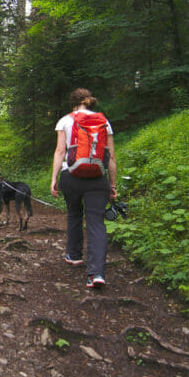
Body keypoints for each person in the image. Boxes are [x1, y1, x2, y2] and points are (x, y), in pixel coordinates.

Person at [50, 88, 118, 289]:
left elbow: (60, 151)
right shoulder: (104, 122)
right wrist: (112, 184)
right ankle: (96, 274)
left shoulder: (65, 120)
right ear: (89, 103)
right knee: (96, 223)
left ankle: (74, 255)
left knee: (73, 213)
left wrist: (54, 178)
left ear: (73, 103)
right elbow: (111, 157)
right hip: (98, 178)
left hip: (70, 176)